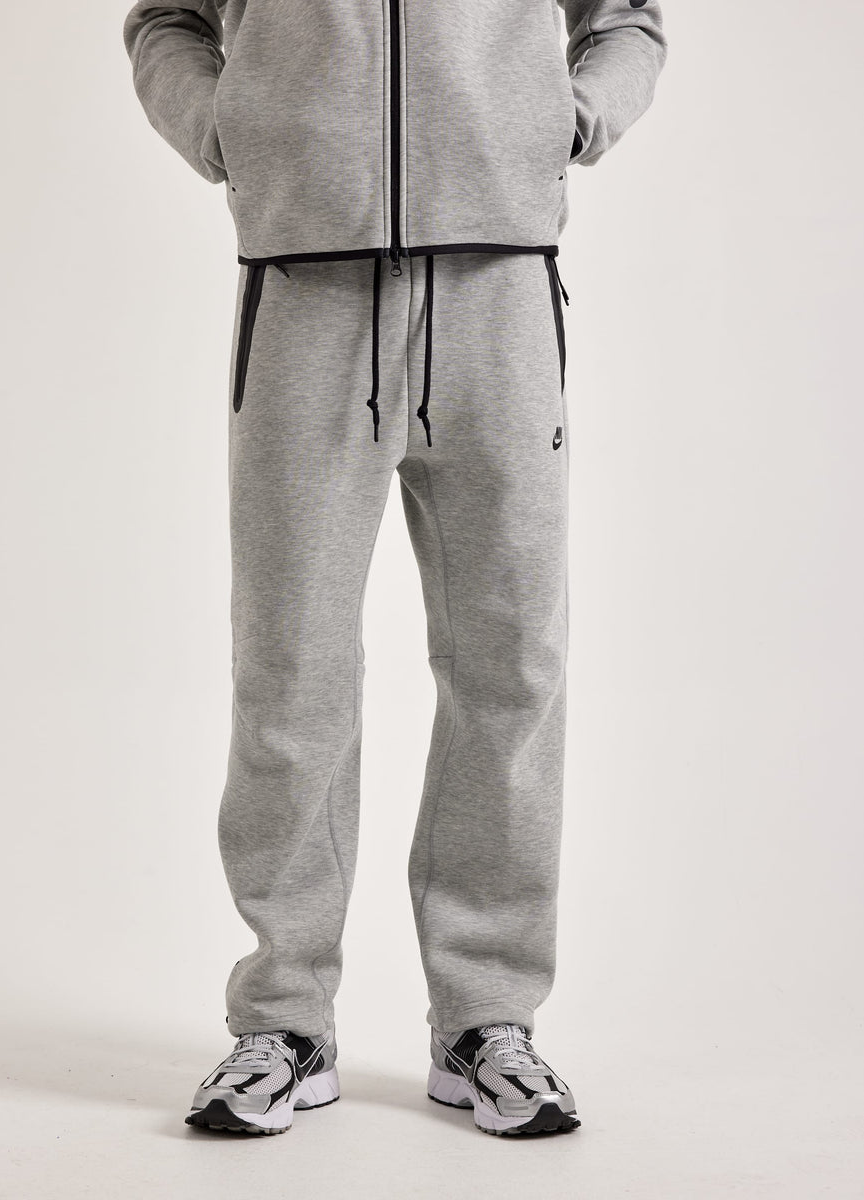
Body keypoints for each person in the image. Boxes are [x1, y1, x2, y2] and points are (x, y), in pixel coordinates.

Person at [122, 0, 666, 1138]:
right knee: (292, 664)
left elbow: (626, 19)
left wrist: (567, 114)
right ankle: (284, 1020)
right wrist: (228, 123)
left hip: (500, 290)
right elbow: (166, 17)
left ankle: (487, 1018)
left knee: (512, 663)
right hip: (302, 286)